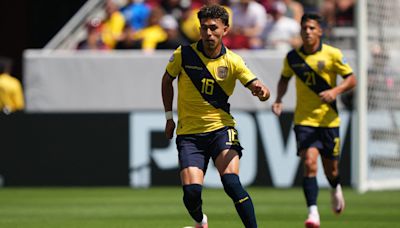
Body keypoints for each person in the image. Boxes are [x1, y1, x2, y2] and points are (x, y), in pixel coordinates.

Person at [161, 4, 270, 228]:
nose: (208, 33)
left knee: (231, 182)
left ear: (225, 30)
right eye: (204, 28)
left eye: (213, 28)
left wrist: (262, 91)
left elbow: (257, 86)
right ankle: (201, 222)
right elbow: (166, 80)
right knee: (191, 193)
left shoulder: (234, 61)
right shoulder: (184, 54)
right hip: (189, 134)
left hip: (221, 129)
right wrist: (169, 117)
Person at [271, 13, 356, 228]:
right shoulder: (292, 57)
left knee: (331, 171)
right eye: (304, 28)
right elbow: (284, 79)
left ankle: (335, 188)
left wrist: (335, 91)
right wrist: (279, 99)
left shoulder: (333, 54)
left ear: (320, 31)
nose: (307, 32)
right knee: (309, 164)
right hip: (304, 120)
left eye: (311, 28)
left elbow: (351, 79)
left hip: (329, 121)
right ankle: (313, 213)